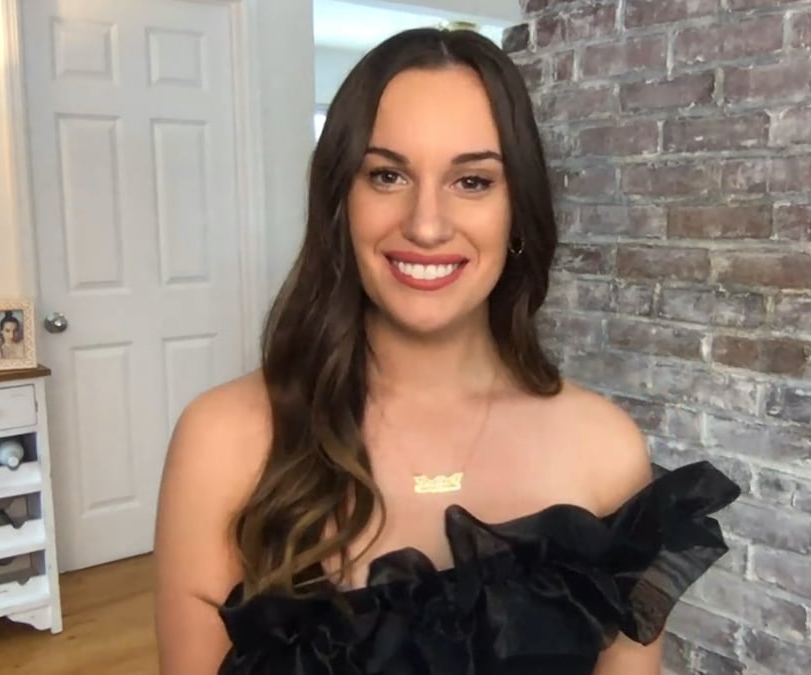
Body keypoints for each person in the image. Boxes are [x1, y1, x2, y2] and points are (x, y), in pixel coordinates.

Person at [154, 27, 739, 675]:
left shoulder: (605, 452)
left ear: (517, 209)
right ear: (340, 201)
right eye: (387, 175)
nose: (425, 224)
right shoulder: (224, 441)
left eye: (472, 181)